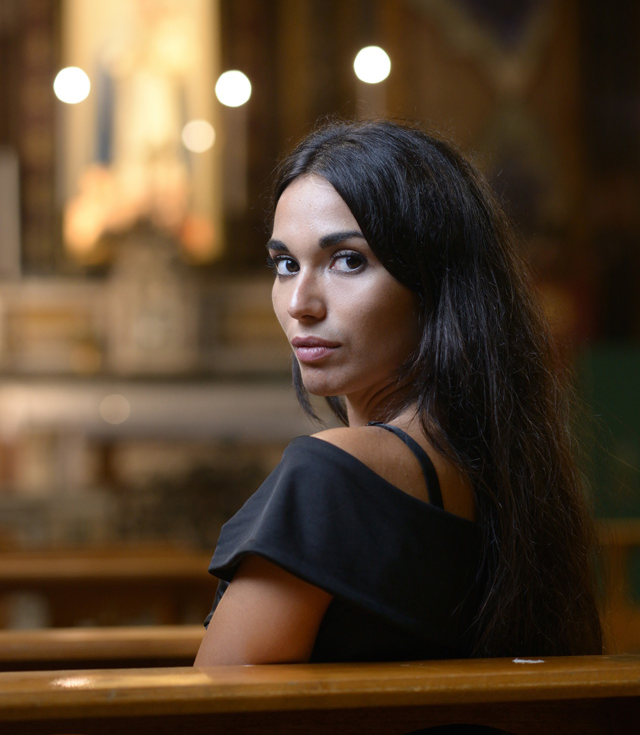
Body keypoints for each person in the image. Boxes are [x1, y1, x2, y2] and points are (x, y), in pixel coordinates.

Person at [195, 118, 602, 670]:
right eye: (286, 264)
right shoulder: (504, 470)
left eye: (348, 260)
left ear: (434, 281)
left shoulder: (332, 475)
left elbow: (212, 710)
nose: (299, 304)